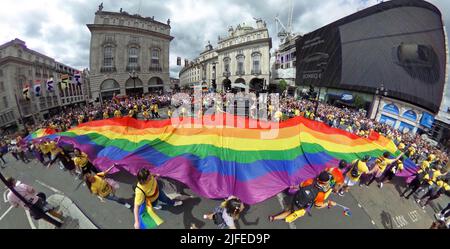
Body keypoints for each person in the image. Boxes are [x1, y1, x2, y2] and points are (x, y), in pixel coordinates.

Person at [268, 171, 336, 223]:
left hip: (296, 197)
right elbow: (317, 206)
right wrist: (328, 203)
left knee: (290, 206)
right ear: (325, 182)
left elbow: (300, 186)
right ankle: (274, 218)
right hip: (301, 205)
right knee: (290, 211)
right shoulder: (321, 194)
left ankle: (286, 210)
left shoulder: (310, 181)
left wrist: (292, 186)